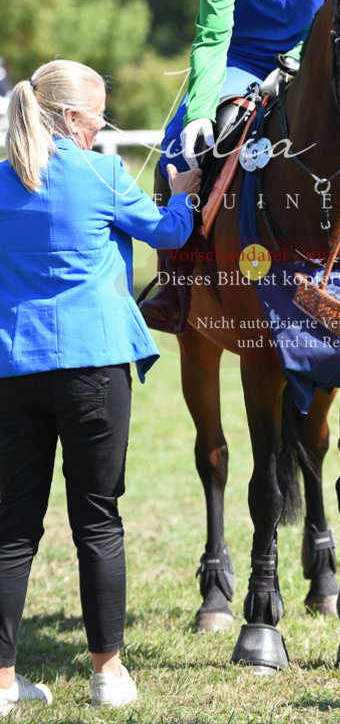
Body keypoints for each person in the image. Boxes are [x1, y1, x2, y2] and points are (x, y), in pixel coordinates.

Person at [0, 60, 200, 714]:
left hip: (13, 368)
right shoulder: (105, 174)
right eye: (99, 116)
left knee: (11, 529)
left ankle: (1, 685)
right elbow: (170, 232)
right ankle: (108, 674)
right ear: (72, 118)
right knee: (99, 520)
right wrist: (185, 190)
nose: (102, 127)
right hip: (94, 368)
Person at [140, 0, 340, 332]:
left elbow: (337, 3)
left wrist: (298, 63)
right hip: (246, 59)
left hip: (317, 51)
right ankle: (178, 283)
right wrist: (196, 114)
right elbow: (213, 36)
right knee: (178, 147)